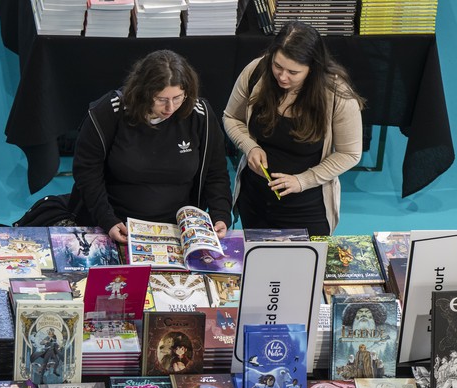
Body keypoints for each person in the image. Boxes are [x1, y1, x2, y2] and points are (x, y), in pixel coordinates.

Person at [69, 49, 232, 243]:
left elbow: (216, 173)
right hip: (119, 224)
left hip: (178, 227)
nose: (170, 108)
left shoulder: (200, 115)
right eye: (161, 100)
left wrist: (220, 213)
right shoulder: (108, 111)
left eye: (178, 98)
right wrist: (107, 220)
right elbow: (87, 172)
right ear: (143, 93)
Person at [224, 21, 365, 235]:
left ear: (313, 68)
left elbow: (350, 153)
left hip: (307, 205)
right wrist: (250, 146)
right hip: (255, 198)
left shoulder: (337, 96)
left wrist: (302, 180)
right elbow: (231, 117)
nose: (282, 76)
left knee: (306, 266)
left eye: (293, 72)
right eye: (277, 66)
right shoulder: (256, 72)